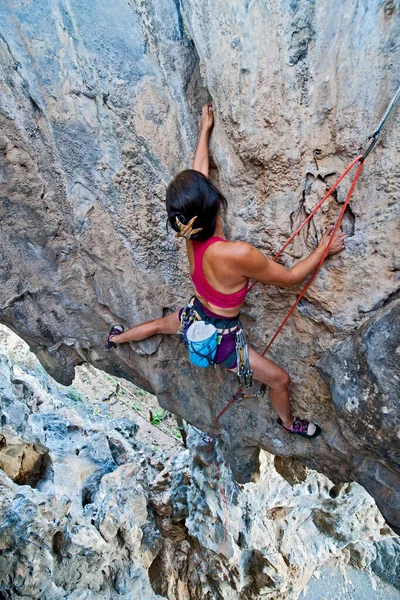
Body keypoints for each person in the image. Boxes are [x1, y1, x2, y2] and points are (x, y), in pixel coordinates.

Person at [106, 104, 346, 438]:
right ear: (214, 203)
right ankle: (289, 424)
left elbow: (198, 172)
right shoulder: (237, 254)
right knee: (280, 379)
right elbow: (291, 279)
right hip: (223, 342)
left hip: (194, 316)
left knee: (162, 324)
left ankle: (115, 337)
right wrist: (324, 249)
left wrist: (204, 130)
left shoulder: (188, 235)